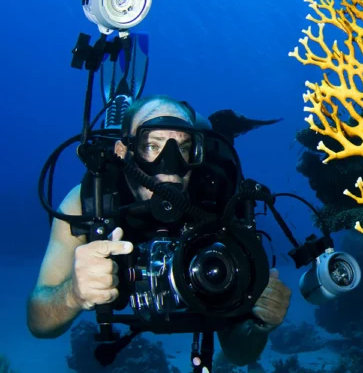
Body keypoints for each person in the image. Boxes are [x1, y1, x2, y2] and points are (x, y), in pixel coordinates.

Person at [26, 95, 292, 367]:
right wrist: (72, 295)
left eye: (185, 147)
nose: (170, 166)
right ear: (124, 151)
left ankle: (213, 126)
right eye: (152, 146)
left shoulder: (218, 199)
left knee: (211, 128)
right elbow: (38, 322)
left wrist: (260, 324)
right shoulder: (91, 201)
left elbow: (239, 354)